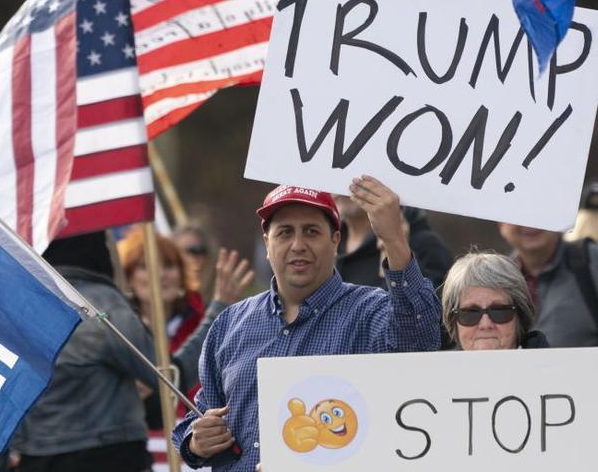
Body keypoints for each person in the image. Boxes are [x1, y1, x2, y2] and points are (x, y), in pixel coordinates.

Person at [172, 176, 441, 471]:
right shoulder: (229, 324)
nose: (297, 245)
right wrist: (196, 442)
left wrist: (394, 242)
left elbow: (421, 340)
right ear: (267, 242)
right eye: (285, 232)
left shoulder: (371, 311)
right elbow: (199, 415)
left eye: (311, 232)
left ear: (335, 240)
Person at [6, 231, 226, 472]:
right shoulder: (103, 304)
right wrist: (220, 308)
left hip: (36, 457)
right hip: (111, 457)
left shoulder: (18, 306)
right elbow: (169, 378)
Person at [118, 225, 254, 428]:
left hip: (200, 445)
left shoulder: (207, 322)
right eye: (146, 266)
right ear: (129, 277)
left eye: (169, 265)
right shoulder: (116, 331)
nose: (160, 275)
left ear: (182, 275)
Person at [498, 221, 598, 347]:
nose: (531, 223)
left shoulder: (591, 262)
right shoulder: (495, 280)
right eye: (519, 213)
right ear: (500, 224)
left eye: (541, 209)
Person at [441, 252, 549, 350]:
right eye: (470, 313)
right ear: (453, 322)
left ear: (520, 318)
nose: (485, 325)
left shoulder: (555, 368)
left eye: (499, 311)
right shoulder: (437, 371)